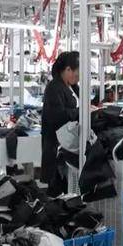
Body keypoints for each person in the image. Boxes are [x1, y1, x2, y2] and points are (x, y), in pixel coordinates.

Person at [41, 51, 81, 196]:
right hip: (56, 144)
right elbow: (57, 116)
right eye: (77, 74)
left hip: (69, 143)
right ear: (68, 69)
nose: (78, 77)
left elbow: (79, 104)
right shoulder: (54, 87)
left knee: (67, 186)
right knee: (57, 187)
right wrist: (81, 111)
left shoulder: (73, 86)